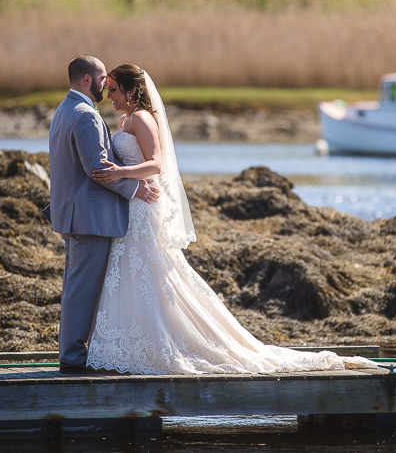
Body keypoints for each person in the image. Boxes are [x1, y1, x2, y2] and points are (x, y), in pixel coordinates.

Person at [84, 64, 377, 374]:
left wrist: (122, 173)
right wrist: (127, 179)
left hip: (145, 209)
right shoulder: (124, 119)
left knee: (151, 271)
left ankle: (162, 340)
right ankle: (130, 340)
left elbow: (156, 163)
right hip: (135, 204)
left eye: (114, 89)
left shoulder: (143, 119)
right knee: (133, 270)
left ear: (131, 90)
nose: (110, 95)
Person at [46, 55, 160, 375]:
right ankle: (72, 357)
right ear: (87, 80)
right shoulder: (84, 115)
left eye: (111, 85)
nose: (105, 86)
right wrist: (136, 190)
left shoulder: (65, 109)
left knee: (76, 287)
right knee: (82, 290)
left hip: (75, 214)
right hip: (89, 216)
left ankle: (77, 352)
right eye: (101, 80)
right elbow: (98, 169)